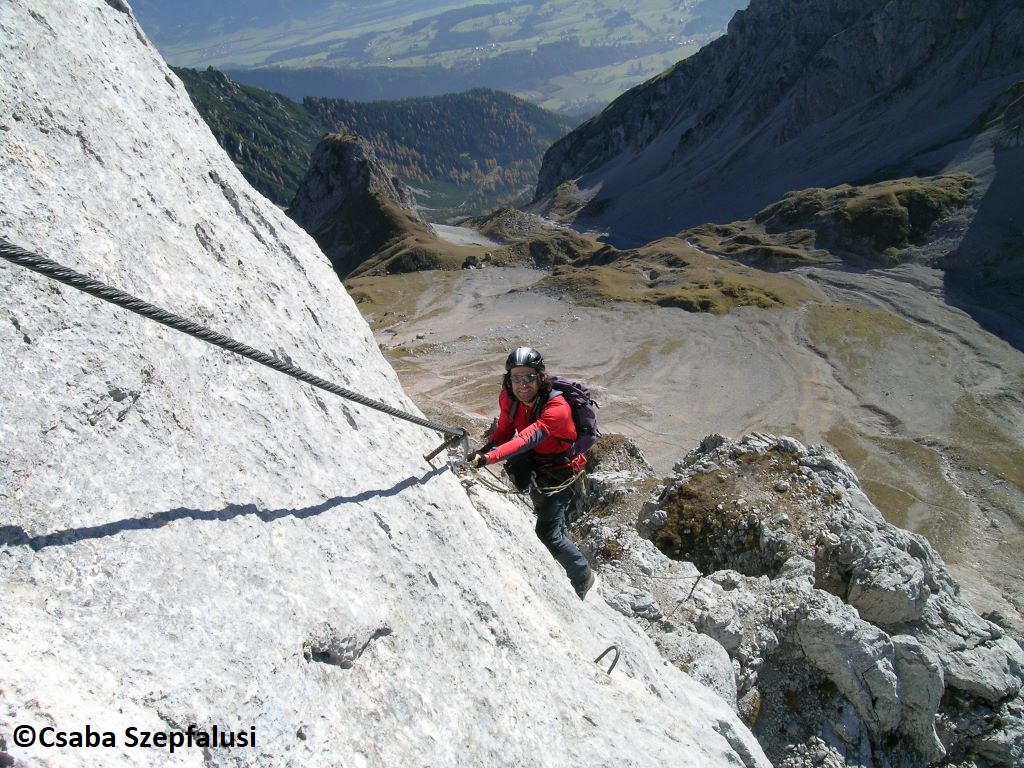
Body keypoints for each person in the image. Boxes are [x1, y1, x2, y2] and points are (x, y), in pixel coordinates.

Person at [467, 347, 596, 600]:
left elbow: (528, 437)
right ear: (509, 380)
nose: (522, 384)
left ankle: (582, 576)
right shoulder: (509, 399)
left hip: (562, 476)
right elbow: (504, 433)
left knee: (546, 532)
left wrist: (488, 458)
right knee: (550, 524)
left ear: (540, 377)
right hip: (537, 471)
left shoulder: (557, 407)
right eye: (516, 378)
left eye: (528, 377)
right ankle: (562, 549)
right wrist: (482, 451)